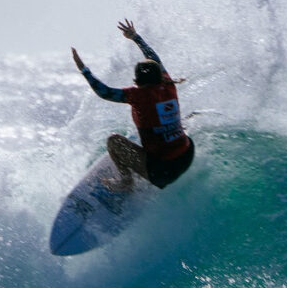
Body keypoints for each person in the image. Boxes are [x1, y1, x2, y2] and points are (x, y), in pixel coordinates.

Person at [71, 19, 195, 191]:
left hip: (163, 172)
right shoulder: (168, 84)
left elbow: (104, 92)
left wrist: (84, 69)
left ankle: (126, 182)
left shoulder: (138, 95)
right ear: (159, 75)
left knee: (114, 141)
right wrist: (136, 37)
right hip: (187, 155)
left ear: (137, 82)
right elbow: (154, 58)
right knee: (174, 122)